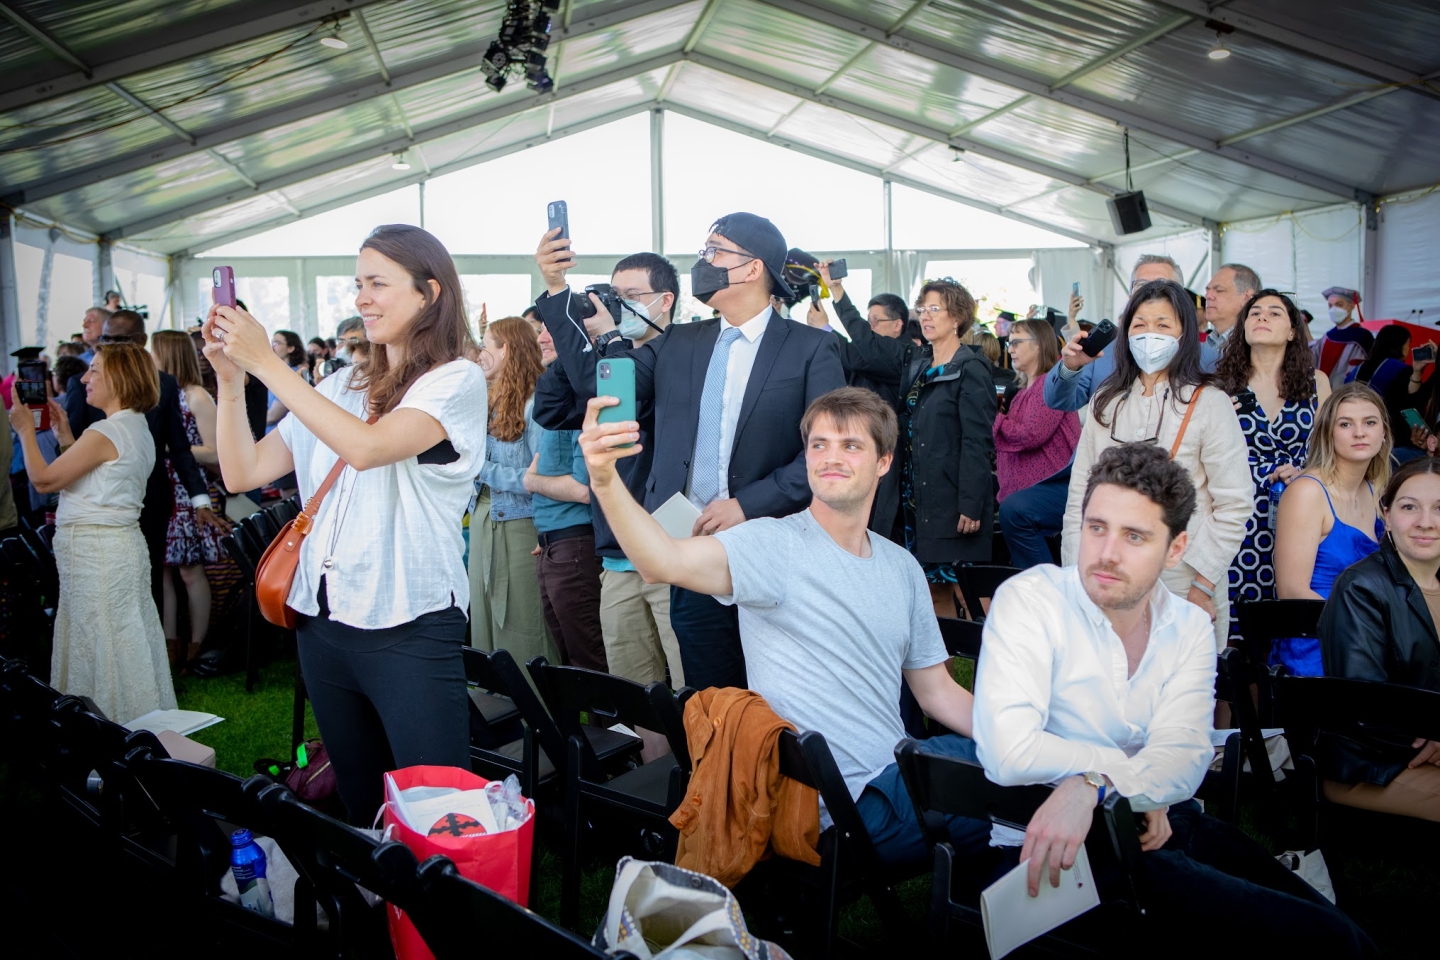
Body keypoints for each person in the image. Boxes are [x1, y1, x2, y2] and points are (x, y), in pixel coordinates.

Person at [974, 442, 1375, 956]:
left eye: (1135, 536)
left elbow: (1185, 761)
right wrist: (1112, 782)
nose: (1106, 553)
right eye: (1096, 527)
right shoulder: (1031, 601)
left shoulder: (1186, 626)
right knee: (1324, 945)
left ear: (1177, 548)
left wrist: (1099, 782)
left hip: (1160, 823)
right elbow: (1007, 752)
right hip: (1060, 855)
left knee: (1337, 927)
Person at [578, 385, 988, 868]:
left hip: (895, 784)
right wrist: (604, 480)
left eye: (850, 445)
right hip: (835, 815)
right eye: (819, 445)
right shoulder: (774, 544)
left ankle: (993, 911)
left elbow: (937, 691)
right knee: (1019, 789)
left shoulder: (902, 568)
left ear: (883, 461)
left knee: (1029, 780)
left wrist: (1027, 737)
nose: (831, 458)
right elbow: (660, 561)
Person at [204, 223, 486, 824]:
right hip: (323, 624)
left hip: (407, 623)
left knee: (435, 810)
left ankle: (437, 919)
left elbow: (366, 447)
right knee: (358, 803)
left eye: (377, 283)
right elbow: (243, 471)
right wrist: (233, 382)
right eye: (358, 283)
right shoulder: (345, 384)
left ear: (429, 293)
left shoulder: (455, 382)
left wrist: (270, 366)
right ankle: (372, 911)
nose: (361, 298)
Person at [534, 213, 845, 690]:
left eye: (715, 252)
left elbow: (825, 456)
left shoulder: (810, 349)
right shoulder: (678, 343)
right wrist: (561, 294)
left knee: (775, 696)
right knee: (706, 696)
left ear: (752, 268)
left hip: (769, 547)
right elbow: (611, 387)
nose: (704, 262)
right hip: (686, 545)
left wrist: (747, 505)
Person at [1062, 280, 1251, 648]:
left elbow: (1235, 504)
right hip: (1110, 577)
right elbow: (1078, 501)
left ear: (1185, 334)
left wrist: (1202, 585)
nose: (1150, 334)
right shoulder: (1107, 401)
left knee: (1178, 697)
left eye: (1163, 325)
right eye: (1140, 324)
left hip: (1183, 579)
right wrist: (1077, 575)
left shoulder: (1208, 402)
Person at [1006, 256, 1223, 570]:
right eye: (1141, 286)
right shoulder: (1104, 350)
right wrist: (1068, 367)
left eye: (1162, 285)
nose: (1151, 293)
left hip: (1170, 483)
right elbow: (1057, 399)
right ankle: (1055, 591)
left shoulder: (1206, 357)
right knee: (1017, 510)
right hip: (1097, 474)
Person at [533, 250, 684, 688]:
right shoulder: (604, 360)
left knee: (686, 687)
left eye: (631, 295)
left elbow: (620, 396)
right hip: (617, 555)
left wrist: (610, 341)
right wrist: (581, 339)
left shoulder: (679, 354)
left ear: (666, 300)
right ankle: (649, 760)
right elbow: (550, 407)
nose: (619, 305)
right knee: (634, 688)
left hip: (668, 550)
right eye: (614, 296)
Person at [10, 344, 175, 723]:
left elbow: (45, 479)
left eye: (95, 370)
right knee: (116, 639)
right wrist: (65, 433)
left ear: (118, 378)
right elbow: (92, 480)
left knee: (101, 640)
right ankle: (132, 725)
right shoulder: (135, 426)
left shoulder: (107, 430)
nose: (85, 378)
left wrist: (25, 432)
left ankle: (108, 730)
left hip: (98, 555)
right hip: (113, 550)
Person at [821, 266, 996, 614]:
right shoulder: (916, 360)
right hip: (917, 496)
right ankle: (941, 664)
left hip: (951, 497)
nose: (926, 316)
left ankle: (1000, 658)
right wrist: (837, 293)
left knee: (966, 588)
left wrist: (971, 502)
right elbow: (867, 343)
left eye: (935, 309)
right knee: (932, 590)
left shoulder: (971, 368)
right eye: (923, 308)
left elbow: (978, 441)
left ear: (957, 317)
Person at [1319, 457, 1440, 823]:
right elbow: (1364, 705)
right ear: (1386, 515)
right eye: (1409, 507)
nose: (1426, 522)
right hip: (1376, 763)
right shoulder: (1361, 587)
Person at [1212, 290, 1329, 641]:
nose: (1262, 317)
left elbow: (1327, 452)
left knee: (1291, 625)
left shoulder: (1316, 382)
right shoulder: (1220, 385)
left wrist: (1307, 473)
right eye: (1254, 312)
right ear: (1243, 327)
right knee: (1238, 633)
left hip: (1300, 515)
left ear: (1293, 331)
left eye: (1275, 313)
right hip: (1237, 518)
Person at [1272, 383, 1389, 675]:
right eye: (1346, 424)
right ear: (1328, 433)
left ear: (1384, 432)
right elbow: (1291, 590)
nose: (1360, 432)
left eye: (1370, 423)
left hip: (1367, 643)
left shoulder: (1375, 489)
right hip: (1315, 646)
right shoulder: (1308, 492)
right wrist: (1370, 627)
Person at [470, 316, 557, 667]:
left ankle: (535, 714)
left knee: (524, 627)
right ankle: (500, 710)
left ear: (506, 350)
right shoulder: (488, 399)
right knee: (486, 623)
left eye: (486, 345)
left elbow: (543, 477)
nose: (479, 354)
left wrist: (478, 468)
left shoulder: (535, 405)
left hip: (521, 526)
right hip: (484, 519)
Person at [805, 282, 913, 542]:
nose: (869, 327)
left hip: (884, 451)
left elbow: (856, 355)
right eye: (868, 320)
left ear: (897, 324)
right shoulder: (872, 357)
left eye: (876, 321)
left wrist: (826, 326)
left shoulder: (902, 354)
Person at [151, 330, 228, 670]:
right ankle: (169, 643)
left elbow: (215, 449)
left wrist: (172, 447)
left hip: (188, 491)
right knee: (165, 571)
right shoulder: (156, 394)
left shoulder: (196, 395)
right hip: (162, 491)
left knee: (190, 570)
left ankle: (199, 641)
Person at [525, 379, 607, 672]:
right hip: (551, 546)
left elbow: (584, 489)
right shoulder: (553, 407)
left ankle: (606, 721)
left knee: (589, 660)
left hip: (575, 546)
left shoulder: (580, 408)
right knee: (569, 660)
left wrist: (530, 481)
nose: (542, 338)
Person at [994, 318, 1079, 507]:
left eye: (1016, 342)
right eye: (1009, 343)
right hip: (1025, 498)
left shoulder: (1049, 385)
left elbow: (1030, 435)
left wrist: (994, 417)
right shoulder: (1023, 393)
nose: (1009, 350)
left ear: (1039, 345)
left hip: (1045, 498)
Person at [1351, 324, 1432, 461]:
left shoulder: (1358, 368)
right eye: (1408, 344)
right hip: (1392, 437)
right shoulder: (1401, 370)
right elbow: (1409, 404)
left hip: (1357, 430)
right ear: (1400, 345)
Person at [1313, 286, 1372, 391]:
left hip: (1343, 395)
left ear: (1352, 306)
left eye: (1339, 305)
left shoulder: (1362, 337)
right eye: (1330, 306)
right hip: (1320, 394)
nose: (1333, 310)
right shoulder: (1327, 336)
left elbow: (1356, 374)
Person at [1201, 263, 1261, 350]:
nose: (1208, 296)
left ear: (1247, 297)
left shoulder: (1257, 347)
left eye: (1219, 290)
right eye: (1207, 290)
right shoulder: (1201, 348)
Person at [265, 330, 313, 429]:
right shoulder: (276, 372)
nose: (271, 347)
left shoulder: (293, 375)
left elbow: (274, 415)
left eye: (276, 343)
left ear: (290, 348)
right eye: (271, 342)